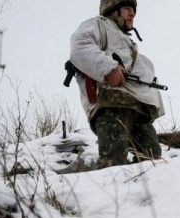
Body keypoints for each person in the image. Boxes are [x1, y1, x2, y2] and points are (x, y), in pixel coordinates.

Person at [70, 0, 164, 168]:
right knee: (113, 164)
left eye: (133, 10)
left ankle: (143, 195)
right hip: (112, 105)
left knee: (153, 161)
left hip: (139, 110)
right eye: (127, 8)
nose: (132, 13)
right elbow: (80, 47)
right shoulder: (98, 25)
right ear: (113, 10)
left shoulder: (128, 43)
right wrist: (108, 68)